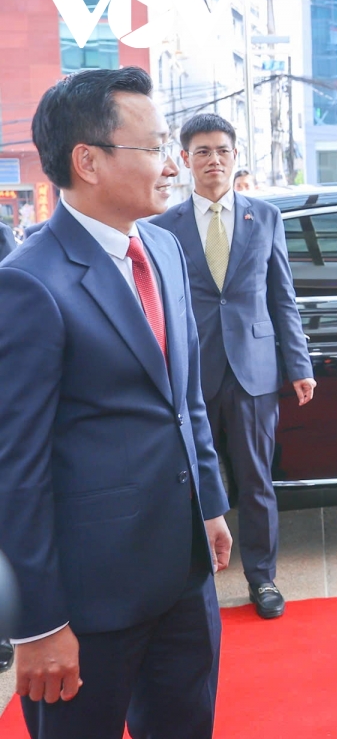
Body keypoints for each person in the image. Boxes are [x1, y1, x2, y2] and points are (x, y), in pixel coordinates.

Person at [0, 66, 231, 738]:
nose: (172, 166)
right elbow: (16, 469)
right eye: (156, 147)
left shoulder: (160, 247)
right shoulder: (29, 287)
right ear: (88, 161)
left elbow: (183, 397)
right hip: (88, 604)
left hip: (182, 573)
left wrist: (210, 504)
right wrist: (37, 624)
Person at [151, 113, 314, 620]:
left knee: (255, 480)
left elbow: (281, 296)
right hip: (190, 372)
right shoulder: (161, 227)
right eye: (201, 151)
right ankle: (189, 575)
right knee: (190, 480)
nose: (213, 159)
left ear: (236, 156)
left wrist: (299, 363)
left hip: (253, 368)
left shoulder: (264, 217)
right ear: (184, 160)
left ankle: (262, 578)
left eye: (222, 150)